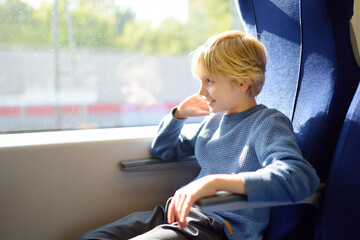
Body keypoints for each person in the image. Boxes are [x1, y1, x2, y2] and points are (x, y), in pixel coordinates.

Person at [78, 31, 320, 240]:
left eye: (209, 81)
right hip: (175, 213)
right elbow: (163, 150)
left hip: (218, 227)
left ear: (242, 82)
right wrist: (178, 115)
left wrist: (214, 183)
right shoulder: (213, 122)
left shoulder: (267, 123)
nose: (201, 91)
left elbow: (300, 178)